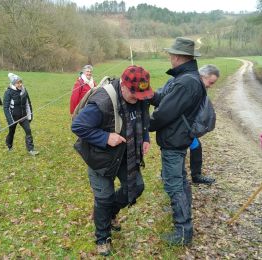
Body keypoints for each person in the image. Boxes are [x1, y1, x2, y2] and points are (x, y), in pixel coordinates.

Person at [72, 65, 154, 256]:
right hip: (99, 156)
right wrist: (105, 138)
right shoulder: (103, 101)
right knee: (104, 197)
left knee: (136, 186)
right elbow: (78, 126)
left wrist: (145, 138)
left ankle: (111, 213)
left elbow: (143, 118)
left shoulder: (139, 95)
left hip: (126, 152)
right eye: (135, 95)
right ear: (123, 86)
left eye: (141, 96)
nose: (139, 99)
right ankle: (102, 237)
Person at [149, 37, 205, 246]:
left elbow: (164, 113)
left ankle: (183, 230)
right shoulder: (185, 78)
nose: (170, 57)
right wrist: (148, 94)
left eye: (172, 54)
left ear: (180, 57)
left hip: (174, 139)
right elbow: (164, 98)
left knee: (174, 184)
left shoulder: (186, 82)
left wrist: (142, 127)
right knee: (180, 179)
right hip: (178, 138)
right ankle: (183, 212)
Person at [189, 65, 220, 185]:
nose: (211, 86)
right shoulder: (190, 85)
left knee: (196, 147)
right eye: (210, 82)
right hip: (177, 129)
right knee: (176, 154)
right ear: (202, 76)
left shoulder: (201, 88)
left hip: (188, 128)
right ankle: (168, 176)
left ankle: (196, 176)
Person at [3, 73, 39, 156]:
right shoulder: (8, 92)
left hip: (23, 116)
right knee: (12, 132)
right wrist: (10, 120)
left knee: (28, 131)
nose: (20, 84)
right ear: (13, 83)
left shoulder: (24, 90)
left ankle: (31, 149)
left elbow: (28, 103)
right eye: (18, 83)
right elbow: (6, 108)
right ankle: (9, 145)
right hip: (13, 117)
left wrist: (29, 115)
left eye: (20, 82)